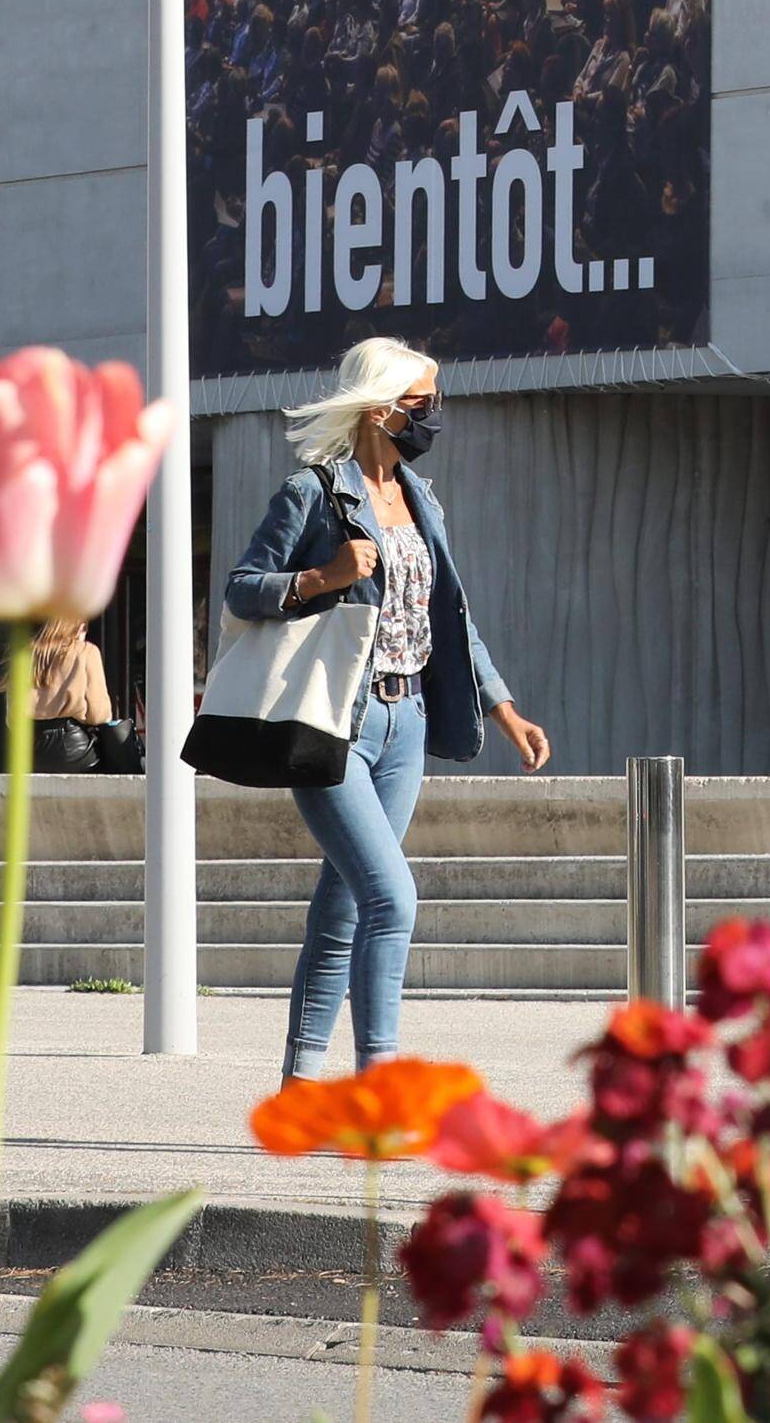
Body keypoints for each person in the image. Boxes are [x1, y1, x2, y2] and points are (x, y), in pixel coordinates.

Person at [222, 334, 553, 1077]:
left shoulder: (419, 496)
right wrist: (319, 576)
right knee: (391, 897)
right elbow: (242, 587)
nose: (434, 415)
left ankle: (302, 1083)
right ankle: (379, 1081)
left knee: (345, 903)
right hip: (336, 721)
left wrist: (503, 708)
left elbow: (448, 618)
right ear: (380, 408)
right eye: (423, 402)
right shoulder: (311, 491)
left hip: (408, 723)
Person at [29, 615, 132, 776]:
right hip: (72, 745)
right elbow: (100, 715)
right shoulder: (86, 651)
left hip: (30, 750)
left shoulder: (28, 653)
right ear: (78, 626)